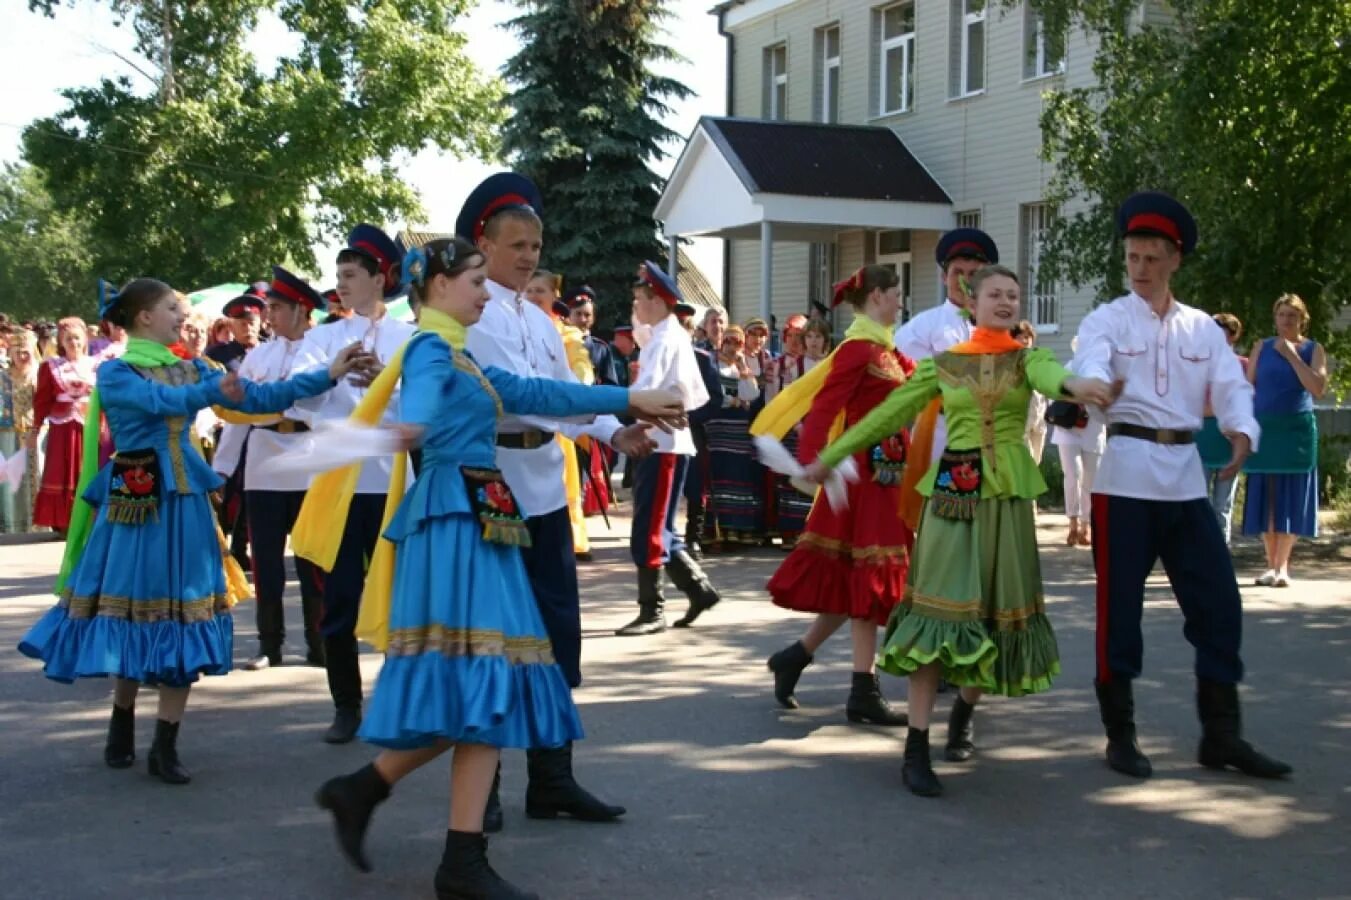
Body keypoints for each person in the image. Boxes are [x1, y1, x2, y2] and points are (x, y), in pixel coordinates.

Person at [312, 238, 684, 900]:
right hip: (454, 525)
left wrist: (631, 397)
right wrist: (408, 425)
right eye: (474, 280)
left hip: (481, 521)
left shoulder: (461, 352)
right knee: (485, 681)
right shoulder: (430, 348)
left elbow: (535, 389)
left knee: (493, 685)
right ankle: (446, 849)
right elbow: (421, 408)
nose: (486, 292)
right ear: (436, 287)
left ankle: (385, 803)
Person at [18, 278, 360, 784]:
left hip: (184, 507)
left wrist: (325, 376)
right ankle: (121, 719)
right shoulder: (116, 372)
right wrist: (212, 389)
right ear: (143, 319)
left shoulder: (195, 366)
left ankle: (166, 744)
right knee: (134, 616)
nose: (183, 317)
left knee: (183, 615)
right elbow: (160, 403)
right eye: (173, 309)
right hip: (136, 507)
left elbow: (260, 396)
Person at [804, 265, 1114, 797]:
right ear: (972, 302)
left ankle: (965, 713)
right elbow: (888, 415)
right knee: (938, 618)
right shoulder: (944, 365)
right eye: (995, 293)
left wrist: (1082, 385)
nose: (1005, 301)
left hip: (1009, 503)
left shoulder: (1027, 358)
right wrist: (828, 455)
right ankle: (917, 746)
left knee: (994, 620)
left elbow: (1052, 377)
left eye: (1013, 295)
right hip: (954, 496)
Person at [1073, 191, 1291, 781]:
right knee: (1120, 612)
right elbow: (1089, 359)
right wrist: (1090, 386)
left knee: (1220, 605)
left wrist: (1243, 430)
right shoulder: (1108, 319)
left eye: (1150, 258)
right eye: (1132, 257)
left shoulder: (1201, 329)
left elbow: (1231, 387)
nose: (1139, 269)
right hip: (1124, 480)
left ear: (1174, 260)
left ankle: (1221, 735)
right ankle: (1120, 734)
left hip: (1185, 480)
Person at [460, 173, 655, 831]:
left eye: (535, 244)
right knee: (494, 641)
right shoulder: (473, 311)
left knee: (556, 637)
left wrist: (614, 431)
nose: (527, 256)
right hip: (492, 490)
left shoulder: (539, 320)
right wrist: (619, 402)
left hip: (542, 485)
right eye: (515, 243)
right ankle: (480, 794)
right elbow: (523, 396)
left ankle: (551, 778)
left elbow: (566, 391)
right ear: (482, 244)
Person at [757, 266, 917, 725]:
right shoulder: (857, 350)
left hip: (888, 476)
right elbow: (826, 405)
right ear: (879, 296)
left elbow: (923, 386)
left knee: (857, 581)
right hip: (863, 479)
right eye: (896, 293)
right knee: (869, 581)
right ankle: (862, 690)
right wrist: (815, 462)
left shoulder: (887, 351)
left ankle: (797, 656)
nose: (900, 301)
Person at [293, 223, 416, 744]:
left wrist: (387, 379)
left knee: (399, 596)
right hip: (341, 484)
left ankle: (397, 701)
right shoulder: (323, 337)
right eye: (338, 275)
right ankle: (346, 705)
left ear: (378, 278)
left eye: (350, 275)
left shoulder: (409, 336)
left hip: (392, 483)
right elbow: (295, 400)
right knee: (338, 600)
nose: (341, 284)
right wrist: (337, 375)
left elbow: (424, 401)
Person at [228, 268, 331, 670]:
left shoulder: (323, 350)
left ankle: (318, 642)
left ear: (301, 309)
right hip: (265, 462)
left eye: (275, 308)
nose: (268, 317)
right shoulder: (259, 356)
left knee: (312, 559)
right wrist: (221, 469)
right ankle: (269, 645)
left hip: (308, 459)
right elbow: (238, 413)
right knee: (266, 559)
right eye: (268, 308)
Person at [614, 263, 720, 636]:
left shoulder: (664, 339)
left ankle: (652, 611)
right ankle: (698, 590)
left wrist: (620, 416)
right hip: (666, 442)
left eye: (638, 300)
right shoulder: (665, 333)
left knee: (648, 528)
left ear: (656, 301)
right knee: (661, 527)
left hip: (659, 444)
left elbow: (648, 391)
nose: (635, 308)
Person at [1241, 294, 1326, 586]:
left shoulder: (1313, 349)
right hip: (1265, 428)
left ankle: (1283, 567)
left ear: (1302, 319)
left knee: (1291, 494)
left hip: (1295, 431)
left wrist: (1291, 355)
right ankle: (1270, 565)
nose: (1286, 320)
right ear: (1275, 318)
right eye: (1282, 315)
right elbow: (1247, 387)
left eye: (1292, 315)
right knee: (1267, 496)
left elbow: (1317, 388)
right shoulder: (1261, 347)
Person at [523, 272, 599, 561]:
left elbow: (580, 368)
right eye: (528, 290)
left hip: (558, 422)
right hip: (523, 430)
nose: (532, 295)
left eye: (539, 290)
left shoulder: (565, 333)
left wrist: (575, 391)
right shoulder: (514, 326)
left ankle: (574, 540)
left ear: (554, 296)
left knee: (565, 486)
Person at [701, 324, 767, 548]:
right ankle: (717, 527)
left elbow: (752, 394)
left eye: (737, 342)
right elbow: (715, 395)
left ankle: (738, 527)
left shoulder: (742, 366)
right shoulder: (713, 363)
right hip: (718, 427)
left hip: (738, 428)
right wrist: (734, 400)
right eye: (728, 341)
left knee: (739, 476)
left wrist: (743, 369)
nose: (731, 346)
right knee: (720, 476)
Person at [31, 316, 96, 534]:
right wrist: (35, 428)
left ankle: (89, 519)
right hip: (62, 429)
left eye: (77, 338)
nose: (74, 343)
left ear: (85, 339)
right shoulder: (51, 367)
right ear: (61, 341)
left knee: (88, 468)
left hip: (90, 426)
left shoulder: (96, 365)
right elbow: (41, 401)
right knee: (62, 470)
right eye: (68, 339)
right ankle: (64, 522)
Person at [1196, 313, 1248, 544]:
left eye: (1221, 330)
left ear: (1233, 335)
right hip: (1201, 439)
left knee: (1222, 504)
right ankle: (1196, 555)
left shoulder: (1244, 366)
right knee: (1197, 503)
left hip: (1229, 442)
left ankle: (1220, 556)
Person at [1, 328, 39, 533]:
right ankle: (11, 524)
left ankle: (36, 522)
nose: (22, 356)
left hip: (34, 433)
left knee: (34, 477)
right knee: (9, 478)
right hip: (7, 433)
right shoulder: (3, 377)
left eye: (26, 351)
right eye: (18, 352)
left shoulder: (40, 373)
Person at [206, 285, 267, 372]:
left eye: (252, 323)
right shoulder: (218, 355)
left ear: (259, 323)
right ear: (231, 327)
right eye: (242, 324)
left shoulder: (272, 349)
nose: (248, 328)